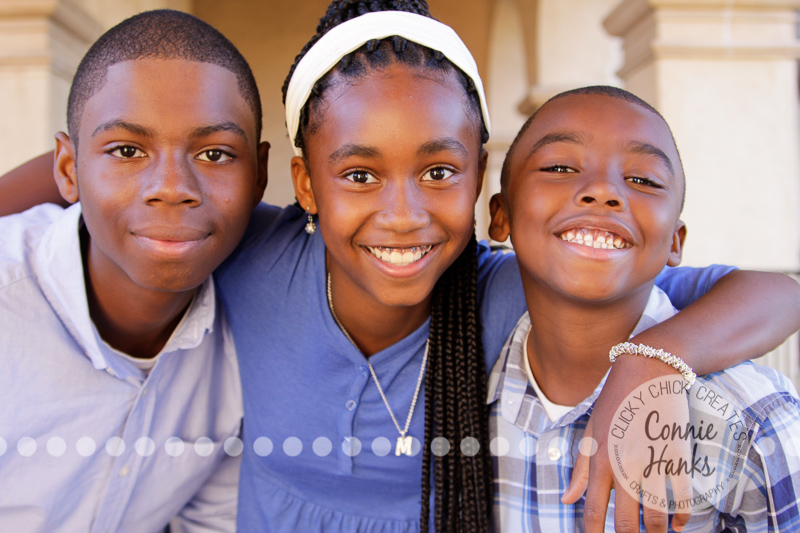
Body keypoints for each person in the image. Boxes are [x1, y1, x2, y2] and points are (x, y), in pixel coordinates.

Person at [3, 2, 800, 532]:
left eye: (438, 171)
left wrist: (652, 362)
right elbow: (122, 164)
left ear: (481, 176)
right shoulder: (256, 254)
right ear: (303, 182)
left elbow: (774, 290)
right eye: (358, 175)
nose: (403, 213)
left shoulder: (505, 289)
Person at [487, 85, 800, 532]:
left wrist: (650, 359)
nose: (601, 191)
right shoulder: (469, 384)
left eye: (644, 180)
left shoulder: (751, 422)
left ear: (675, 241)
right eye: (558, 167)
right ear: (501, 216)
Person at [0, 11, 268, 532]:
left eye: (215, 153)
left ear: (259, 176)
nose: (171, 186)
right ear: (67, 169)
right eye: (127, 150)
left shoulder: (253, 336)